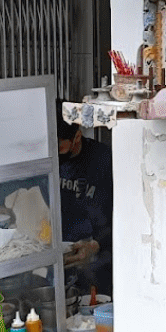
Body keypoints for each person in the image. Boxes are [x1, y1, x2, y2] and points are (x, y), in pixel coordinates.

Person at [58, 115, 114, 296]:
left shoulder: (104, 160)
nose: (55, 153)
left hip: (98, 251)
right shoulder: (50, 158)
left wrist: (95, 245)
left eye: (59, 146)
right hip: (62, 248)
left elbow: (124, 214)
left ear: (77, 137)